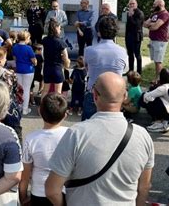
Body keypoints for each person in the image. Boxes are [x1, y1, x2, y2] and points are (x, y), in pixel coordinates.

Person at [45, 72, 154, 206]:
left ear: (95, 96)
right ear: (125, 96)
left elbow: (52, 190)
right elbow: (144, 186)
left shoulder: (76, 134)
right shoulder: (143, 136)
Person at [19, 93, 68, 206]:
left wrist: (23, 197)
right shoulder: (72, 135)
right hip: (64, 191)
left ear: (40, 112)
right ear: (65, 115)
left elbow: (25, 176)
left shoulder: (31, 139)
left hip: (39, 193)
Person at [82, 16, 128, 121]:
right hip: (115, 95)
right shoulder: (122, 51)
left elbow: (87, 68)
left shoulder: (89, 50)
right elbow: (124, 69)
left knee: (88, 130)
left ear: (99, 32)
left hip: (94, 93)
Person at [0, 46, 24, 141]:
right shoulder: (9, 74)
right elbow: (16, 91)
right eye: (5, 57)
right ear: (0, 59)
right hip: (7, 109)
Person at [141, 68, 169, 133]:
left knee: (148, 97)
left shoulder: (163, 88)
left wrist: (153, 87)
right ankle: (166, 120)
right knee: (158, 97)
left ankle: (159, 120)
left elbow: (147, 96)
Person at [143, 0, 169, 80]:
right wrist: (152, 24)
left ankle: (158, 79)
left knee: (158, 61)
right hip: (153, 40)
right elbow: (144, 24)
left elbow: (155, 27)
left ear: (160, 5)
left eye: (155, 4)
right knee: (156, 60)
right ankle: (158, 77)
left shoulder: (164, 14)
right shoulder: (155, 14)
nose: (153, 6)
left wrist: (151, 25)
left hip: (160, 40)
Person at [42, 19, 70, 96]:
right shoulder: (60, 42)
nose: (60, 30)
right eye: (60, 28)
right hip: (57, 68)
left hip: (47, 67)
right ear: (56, 28)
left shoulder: (45, 40)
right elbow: (66, 58)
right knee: (57, 92)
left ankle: (42, 107)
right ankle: (56, 108)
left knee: (45, 91)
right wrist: (67, 65)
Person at [13, 31, 37, 115]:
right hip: (28, 70)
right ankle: (25, 109)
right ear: (26, 38)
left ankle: (19, 107)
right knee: (26, 89)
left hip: (18, 69)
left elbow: (15, 58)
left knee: (19, 89)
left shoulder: (15, 47)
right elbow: (34, 61)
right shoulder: (29, 48)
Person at [125, 0, 144, 74]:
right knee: (130, 54)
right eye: (130, 4)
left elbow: (137, 25)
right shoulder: (128, 12)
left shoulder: (139, 13)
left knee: (137, 54)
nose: (132, 5)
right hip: (128, 36)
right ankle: (130, 70)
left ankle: (139, 71)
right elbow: (125, 23)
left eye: (133, 3)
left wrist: (130, 16)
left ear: (136, 4)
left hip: (136, 37)